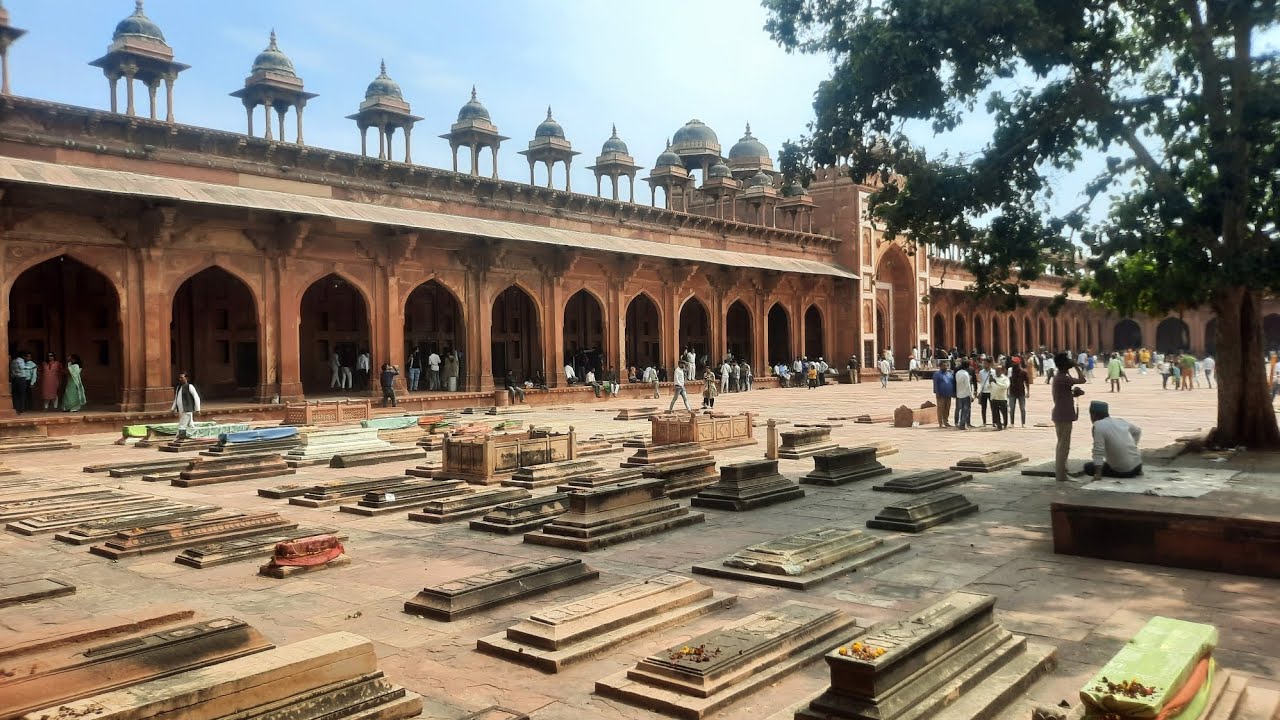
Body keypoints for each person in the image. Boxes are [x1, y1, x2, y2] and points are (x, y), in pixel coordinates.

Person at [1051, 352, 1088, 482]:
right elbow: (1083, 380)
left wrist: (1073, 394)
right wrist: (1076, 366)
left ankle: (1062, 472)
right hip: (1064, 414)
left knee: (1062, 445)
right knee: (1064, 446)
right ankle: (1061, 475)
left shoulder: (1060, 377)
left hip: (1061, 413)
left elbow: (1062, 395)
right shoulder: (1063, 378)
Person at [1085, 400, 1143, 480]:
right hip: (1137, 466)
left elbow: (1098, 451)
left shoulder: (1098, 426)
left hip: (1124, 471)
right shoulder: (1120, 421)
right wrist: (1131, 447)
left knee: (1088, 467)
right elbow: (1138, 431)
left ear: (1093, 415)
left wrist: (1098, 474)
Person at [171, 372, 201, 438]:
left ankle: (178, 438)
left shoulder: (190, 386)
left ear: (186, 378)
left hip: (187, 409)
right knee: (190, 425)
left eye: (182, 377)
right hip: (181, 410)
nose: (180, 379)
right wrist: (172, 409)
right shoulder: (178, 388)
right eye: (179, 377)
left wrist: (197, 409)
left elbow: (196, 397)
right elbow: (176, 399)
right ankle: (197, 436)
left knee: (182, 424)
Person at [1009, 357, 1030, 427]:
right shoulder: (1010, 371)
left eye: (1014, 362)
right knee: (1012, 408)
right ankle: (1012, 423)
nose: (1013, 363)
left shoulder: (1023, 372)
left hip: (1021, 393)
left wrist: (1028, 392)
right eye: (1013, 362)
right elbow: (1008, 381)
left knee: (1023, 409)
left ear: (1018, 363)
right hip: (1012, 392)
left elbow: (1027, 382)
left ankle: (1023, 423)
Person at [932, 360, 954, 429]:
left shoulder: (950, 374)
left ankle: (946, 421)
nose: (945, 367)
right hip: (940, 394)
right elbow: (935, 384)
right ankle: (940, 423)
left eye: (946, 365)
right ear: (940, 366)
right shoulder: (937, 374)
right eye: (944, 366)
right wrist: (937, 392)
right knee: (940, 408)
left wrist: (953, 392)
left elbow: (952, 383)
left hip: (948, 394)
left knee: (947, 408)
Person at [990, 364, 1010, 430]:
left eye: (998, 370)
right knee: (995, 413)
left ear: (1002, 371)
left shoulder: (1005, 378)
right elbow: (990, 386)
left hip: (1002, 398)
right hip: (994, 398)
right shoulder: (993, 378)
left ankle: (1005, 424)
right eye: (996, 370)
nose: (997, 372)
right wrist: (990, 382)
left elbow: (1005, 386)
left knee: (1004, 412)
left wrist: (996, 383)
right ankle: (999, 425)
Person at [954, 359, 973, 429]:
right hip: (965, 394)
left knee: (959, 409)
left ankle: (958, 422)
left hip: (959, 393)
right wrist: (971, 395)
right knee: (965, 410)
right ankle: (962, 424)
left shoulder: (957, 373)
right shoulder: (966, 374)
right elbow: (967, 385)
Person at [977, 359, 992, 426]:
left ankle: (994, 421)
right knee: (983, 408)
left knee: (993, 407)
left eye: (985, 363)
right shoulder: (981, 372)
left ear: (989, 364)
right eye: (983, 363)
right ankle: (984, 422)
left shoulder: (993, 372)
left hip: (991, 391)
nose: (984, 365)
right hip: (983, 391)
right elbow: (980, 381)